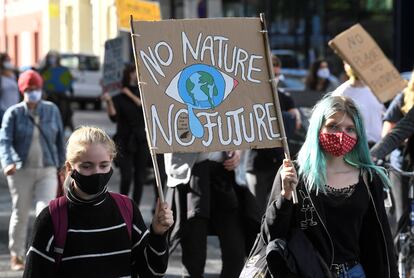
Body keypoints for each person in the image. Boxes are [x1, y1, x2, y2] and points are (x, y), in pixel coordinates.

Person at [263, 95, 398, 277]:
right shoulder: (294, 173)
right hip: (309, 272)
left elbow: (381, 241)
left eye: (350, 129)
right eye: (333, 126)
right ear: (318, 129)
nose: (341, 135)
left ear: (358, 135)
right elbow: (271, 234)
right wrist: (285, 195)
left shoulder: (369, 178)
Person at [23, 126, 173, 277]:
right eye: (87, 166)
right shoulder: (51, 217)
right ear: (70, 168)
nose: (97, 172)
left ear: (111, 162)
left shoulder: (127, 209)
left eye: (104, 165)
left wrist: (158, 234)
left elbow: (152, 272)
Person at [0, 70, 65, 271]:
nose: (32, 92)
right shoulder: (14, 113)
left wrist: (64, 165)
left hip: (47, 169)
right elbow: (5, 141)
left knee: (45, 211)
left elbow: (59, 139)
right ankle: (16, 255)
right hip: (20, 171)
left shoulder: (51, 110)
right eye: (28, 89)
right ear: (22, 90)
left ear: (41, 89)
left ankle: (40, 254)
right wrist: (8, 162)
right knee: (20, 212)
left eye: (35, 88)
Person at [165, 151, 247, 278]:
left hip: (224, 174)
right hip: (191, 176)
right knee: (194, 258)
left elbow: (241, 132)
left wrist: (238, 151)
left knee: (236, 253)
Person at [245, 54, 302, 216]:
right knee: (255, 211)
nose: (275, 78)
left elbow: (295, 122)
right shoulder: (254, 97)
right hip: (256, 163)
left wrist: (289, 117)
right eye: (272, 74)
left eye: (277, 75)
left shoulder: (285, 98)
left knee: (276, 207)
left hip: (278, 163)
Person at [102, 64, 165, 206]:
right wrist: (108, 102)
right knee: (126, 176)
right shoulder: (118, 97)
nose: (136, 75)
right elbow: (113, 117)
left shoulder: (146, 94)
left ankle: (134, 207)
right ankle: (122, 204)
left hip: (141, 140)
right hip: (124, 141)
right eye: (133, 72)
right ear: (128, 75)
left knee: (140, 177)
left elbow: (146, 109)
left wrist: (129, 94)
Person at [374, 70, 414, 235]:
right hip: (404, 162)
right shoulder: (403, 98)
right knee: (401, 214)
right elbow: (396, 133)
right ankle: (400, 251)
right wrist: (371, 156)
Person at [331, 62, 385, 147]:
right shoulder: (340, 94)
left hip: (378, 147)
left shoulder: (378, 90)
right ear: (345, 66)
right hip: (353, 148)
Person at [38, 50, 74, 131]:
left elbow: (69, 84)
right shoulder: (44, 70)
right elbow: (40, 84)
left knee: (64, 117)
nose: (52, 59)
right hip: (49, 97)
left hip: (62, 98)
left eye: (54, 56)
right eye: (51, 56)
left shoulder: (63, 69)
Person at [0, 53, 20, 124]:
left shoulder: (14, 75)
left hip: (15, 109)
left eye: (9, 60)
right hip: (3, 110)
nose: (8, 62)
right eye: (6, 60)